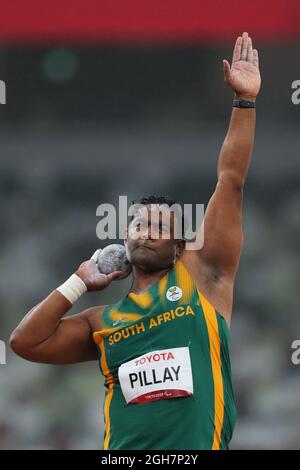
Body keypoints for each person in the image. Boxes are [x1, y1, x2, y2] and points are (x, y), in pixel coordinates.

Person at [10, 32, 261, 450]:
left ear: (180, 245)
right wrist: (78, 282)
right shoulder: (101, 321)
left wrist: (245, 103)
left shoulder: (204, 280)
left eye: (160, 227)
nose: (146, 232)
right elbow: (25, 342)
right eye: (138, 225)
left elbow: (230, 179)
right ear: (124, 237)